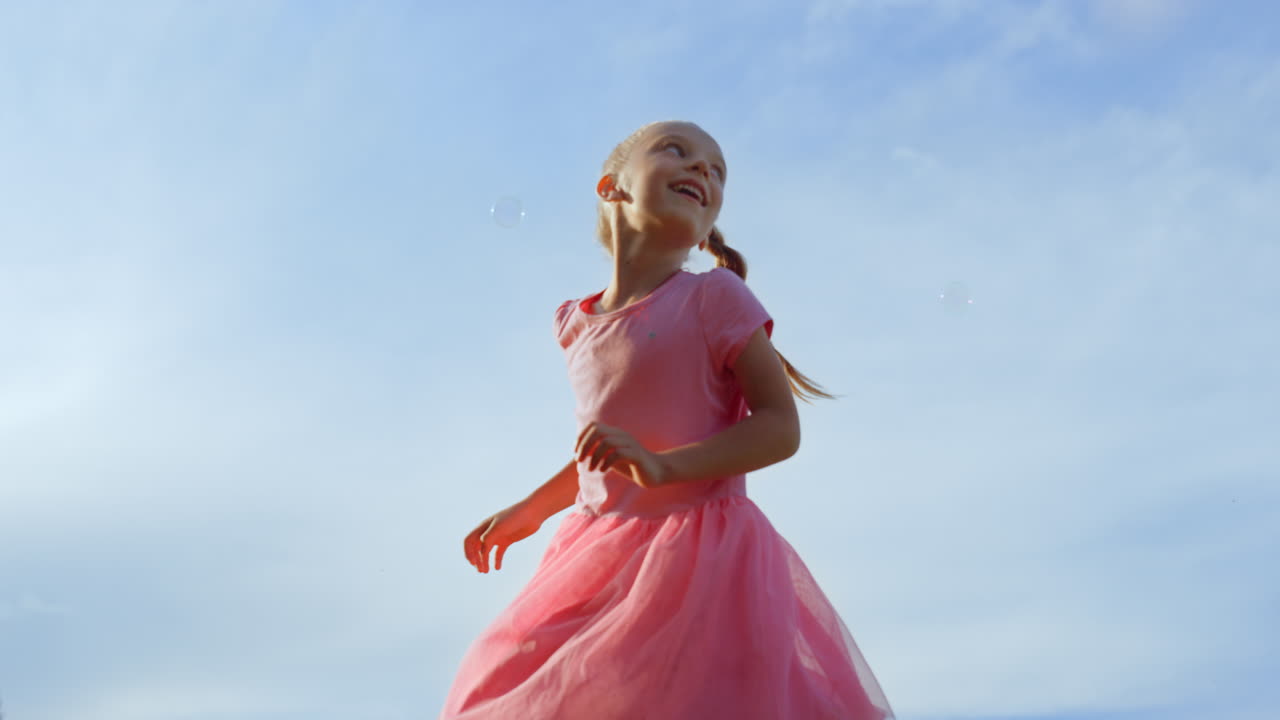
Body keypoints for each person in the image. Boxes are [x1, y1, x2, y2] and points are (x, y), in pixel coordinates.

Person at [439, 121, 895, 720]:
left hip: (701, 557)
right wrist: (530, 508)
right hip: (598, 553)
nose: (703, 169)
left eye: (717, 170)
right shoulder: (574, 325)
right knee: (498, 682)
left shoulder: (716, 298)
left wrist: (665, 466)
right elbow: (599, 455)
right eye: (677, 151)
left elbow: (781, 426)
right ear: (613, 188)